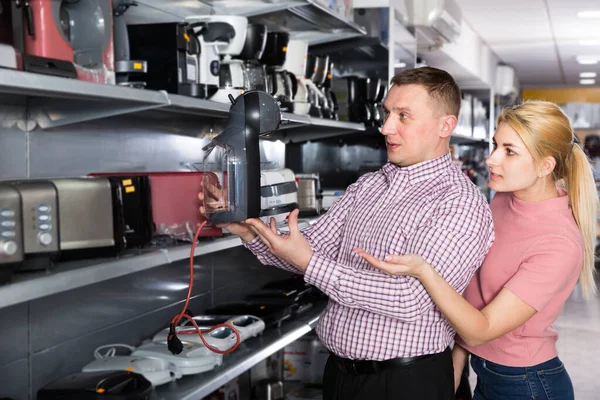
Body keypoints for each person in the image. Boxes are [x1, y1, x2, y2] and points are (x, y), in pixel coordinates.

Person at [199, 67, 495, 399]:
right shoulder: (368, 186)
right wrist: (246, 228)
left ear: (446, 126)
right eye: (386, 113)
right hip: (340, 376)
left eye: (403, 116)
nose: (386, 127)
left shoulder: (460, 203)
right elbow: (304, 249)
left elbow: (410, 299)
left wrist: (311, 264)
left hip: (404, 382)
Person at [356, 100, 598, 400]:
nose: (492, 160)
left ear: (545, 166)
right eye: (495, 145)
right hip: (483, 372)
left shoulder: (558, 243)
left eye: (509, 151)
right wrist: (455, 370)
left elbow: (480, 329)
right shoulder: (504, 200)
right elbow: (474, 295)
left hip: (527, 386)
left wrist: (424, 271)